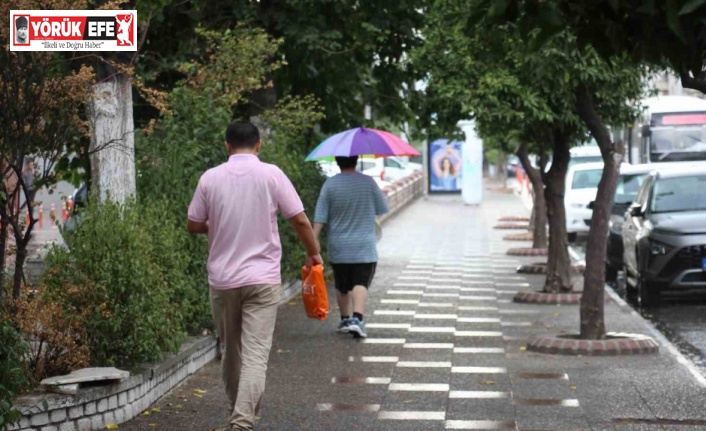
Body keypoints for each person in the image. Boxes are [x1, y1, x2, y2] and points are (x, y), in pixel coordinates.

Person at [187, 120, 321, 431]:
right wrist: (314, 253)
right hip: (262, 279)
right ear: (258, 145)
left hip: (222, 281)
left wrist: (216, 223)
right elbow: (300, 221)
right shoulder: (272, 174)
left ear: (227, 146)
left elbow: (193, 223)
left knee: (231, 351)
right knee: (256, 354)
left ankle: (239, 418)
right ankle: (242, 423)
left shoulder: (210, 178)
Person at [313, 155, 389, 338]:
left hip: (339, 245)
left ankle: (345, 319)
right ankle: (358, 318)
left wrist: (313, 240)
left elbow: (320, 215)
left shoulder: (329, 185)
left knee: (342, 285)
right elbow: (382, 208)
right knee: (360, 282)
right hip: (364, 246)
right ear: (356, 161)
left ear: (338, 162)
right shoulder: (368, 183)